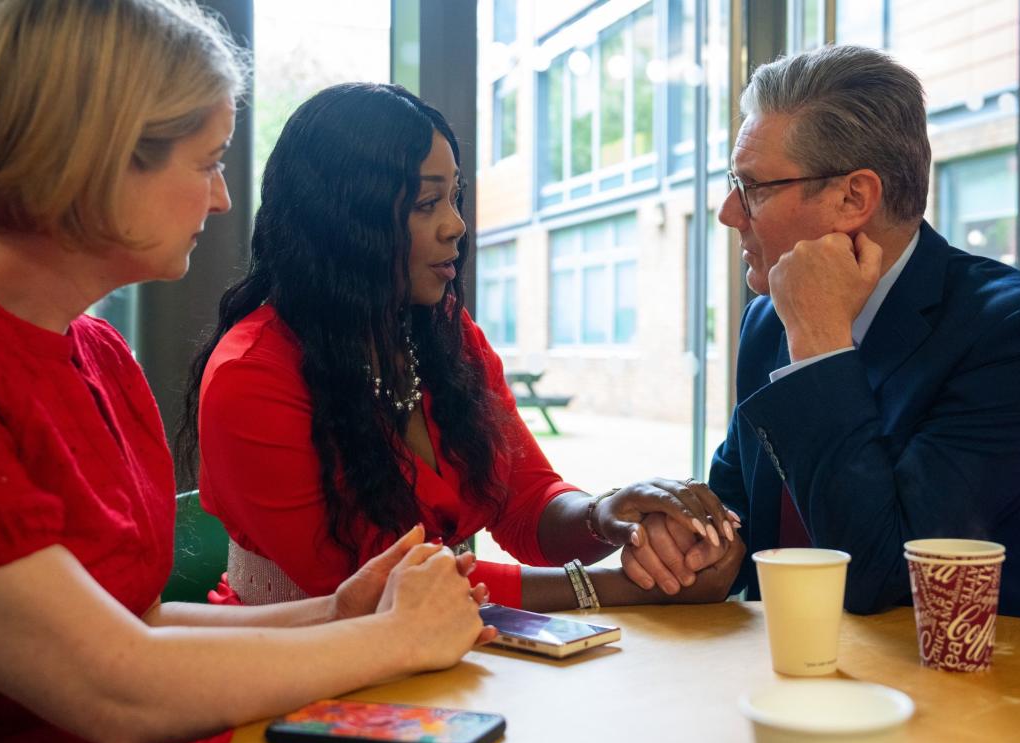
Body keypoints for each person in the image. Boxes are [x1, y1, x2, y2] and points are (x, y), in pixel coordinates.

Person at [0, 2, 496, 743]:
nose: (222, 199)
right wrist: (393, 636)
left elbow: (137, 622)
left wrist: (335, 613)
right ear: (97, 155)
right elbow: (115, 691)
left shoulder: (98, 353)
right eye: (206, 164)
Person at [179, 82, 743, 613]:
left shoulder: (443, 332)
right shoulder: (250, 376)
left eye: (455, 197)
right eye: (427, 204)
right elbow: (382, 585)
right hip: (293, 688)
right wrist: (624, 589)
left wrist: (613, 514)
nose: (457, 225)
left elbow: (527, 503)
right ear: (344, 221)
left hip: (440, 666)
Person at [621, 44, 1020, 629]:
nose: (728, 212)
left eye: (753, 188)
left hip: (1003, 691)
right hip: (814, 678)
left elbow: (877, 573)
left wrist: (820, 346)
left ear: (854, 197)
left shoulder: (1015, 335)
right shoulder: (767, 319)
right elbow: (740, 516)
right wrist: (691, 538)